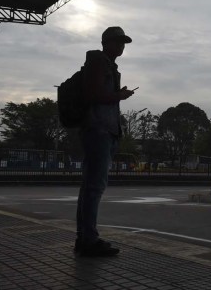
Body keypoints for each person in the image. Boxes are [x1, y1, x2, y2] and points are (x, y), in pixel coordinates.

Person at [74, 26, 135, 257]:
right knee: (94, 188)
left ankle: (85, 237)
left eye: (123, 43)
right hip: (98, 130)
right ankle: (88, 239)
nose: (121, 46)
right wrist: (118, 96)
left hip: (104, 131)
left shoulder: (108, 65)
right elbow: (93, 95)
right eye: (118, 41)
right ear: (106, 42)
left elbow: (99, 94)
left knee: (90, 187)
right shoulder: (98, 62)